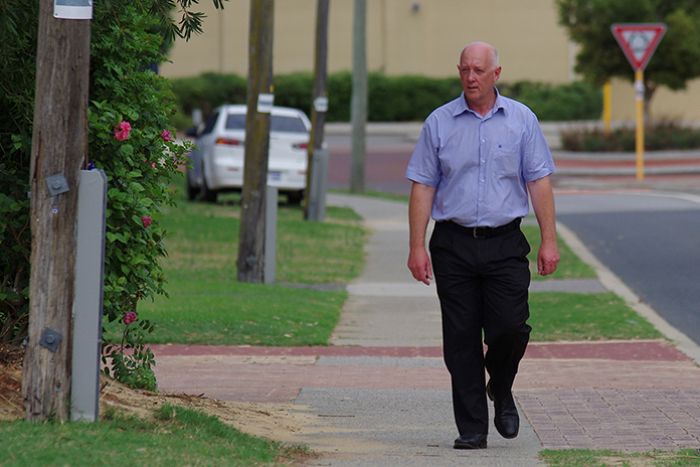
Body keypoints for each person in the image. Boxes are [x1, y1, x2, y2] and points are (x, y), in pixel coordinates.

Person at [405, 41, 560, 450]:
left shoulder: (522, 120)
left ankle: (502, 387)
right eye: (464, 70)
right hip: (453, 244)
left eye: (478, 70)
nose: (470, 78)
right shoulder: (439, 123)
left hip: (505, 241)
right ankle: (472, 427)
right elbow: (423, 184)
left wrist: (549, 240)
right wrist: (416, 246)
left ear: (496, 74)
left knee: (510, 327)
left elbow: (538, 181)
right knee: (460, 339)